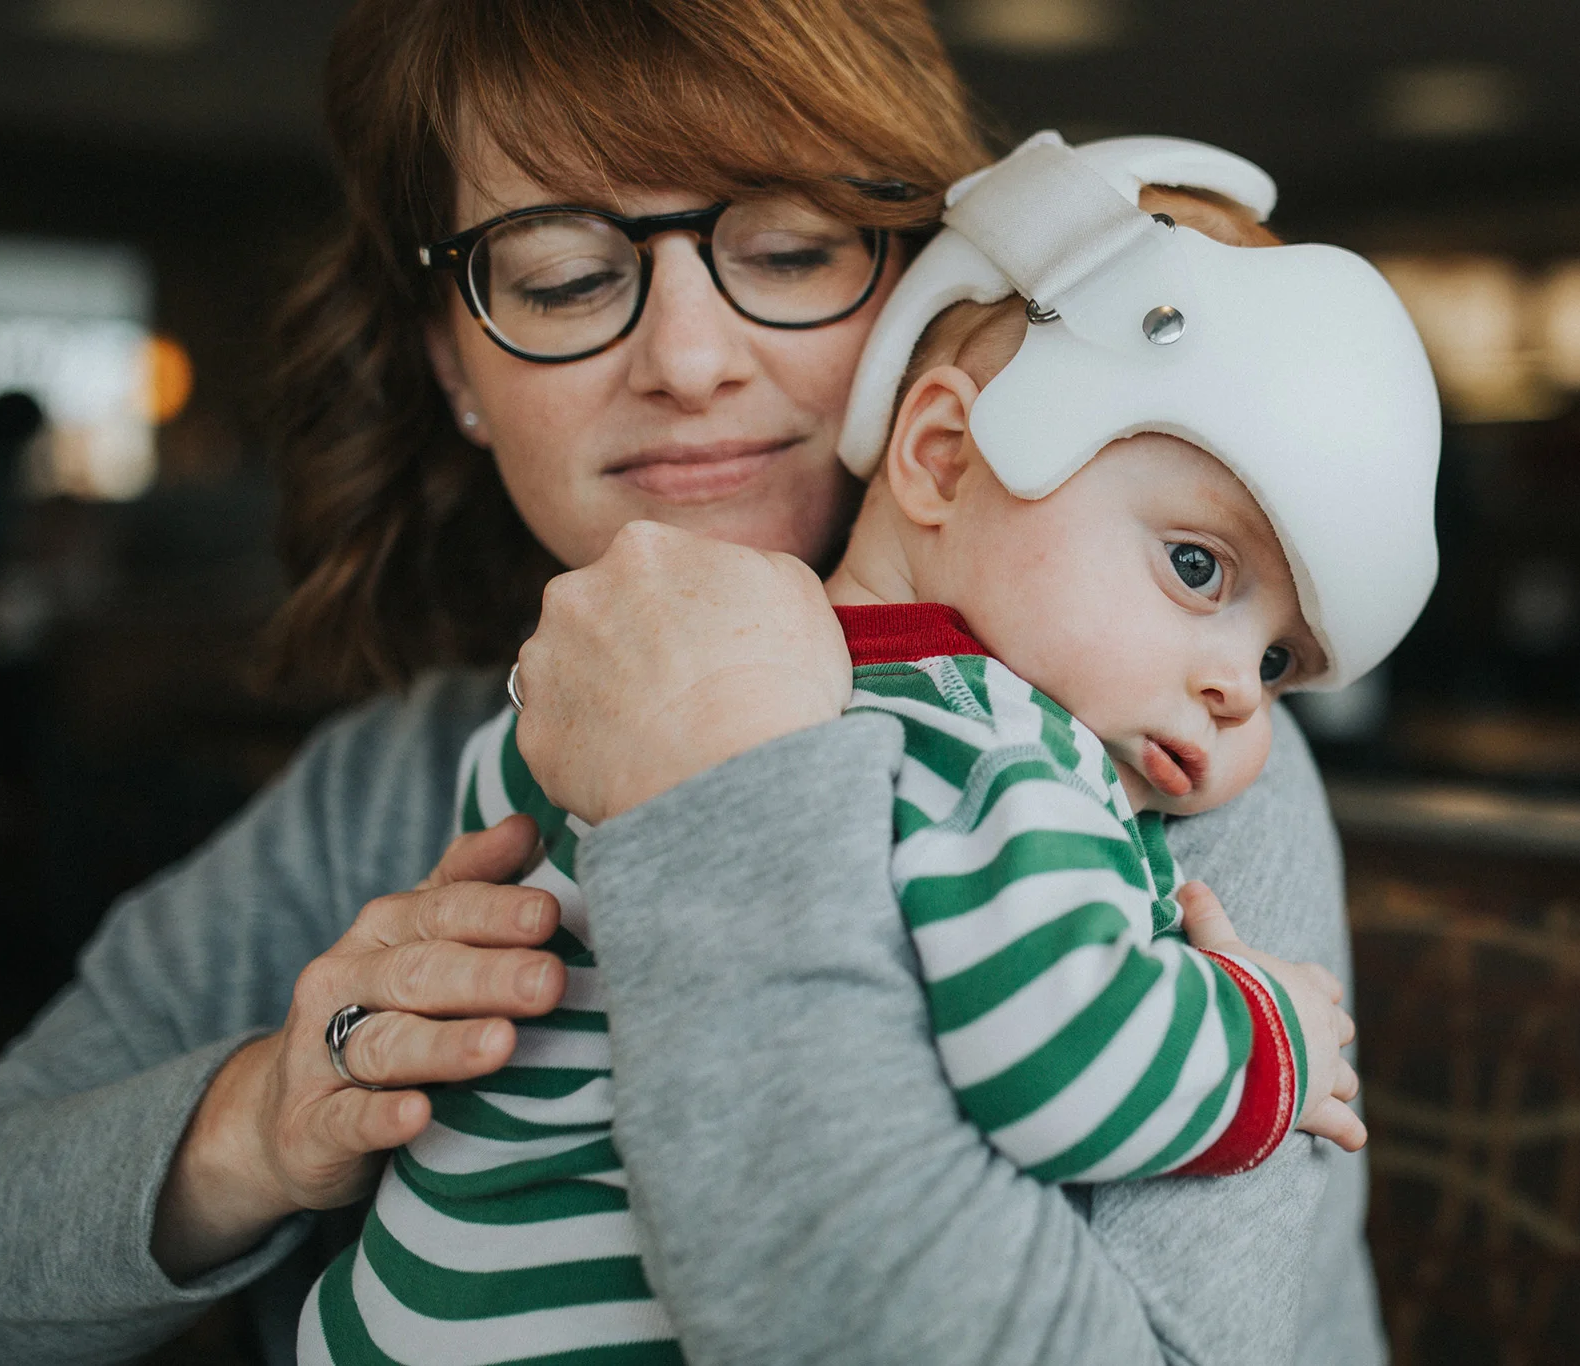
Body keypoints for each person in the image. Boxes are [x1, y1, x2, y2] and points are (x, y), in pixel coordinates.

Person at [0, 5, 1387, 1365]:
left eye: (786, 252)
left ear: (924, 288)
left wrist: (716, 792)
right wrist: (261, 1118)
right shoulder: (407, 773)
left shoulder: (1148, 742)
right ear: (457, 365)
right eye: (562, 277)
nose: (690, 361)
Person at [303, 134, 1437, 1364]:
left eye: (1279, 665)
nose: (1233, 689)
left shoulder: (579, 684)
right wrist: (1263, 1034)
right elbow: (1060, 1059)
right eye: (1194, 566)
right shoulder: (1000, 746)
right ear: (945, 454)